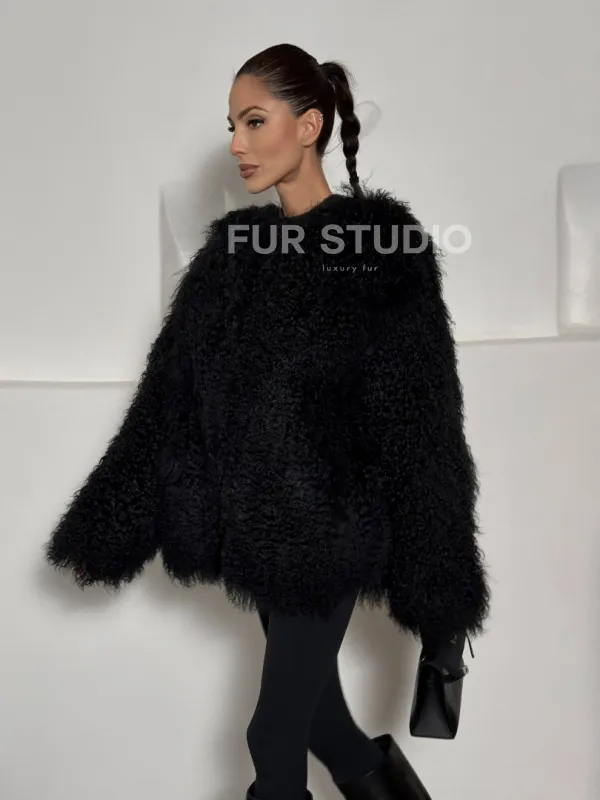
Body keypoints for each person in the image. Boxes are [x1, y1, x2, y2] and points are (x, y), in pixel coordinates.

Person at [43, 43, 491, 800]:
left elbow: (425, 427)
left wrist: (443, 601)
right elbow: (167, 403)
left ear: (309, 125)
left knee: (271, 735)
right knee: (326, 729)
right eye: (233, 126)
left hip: (336, 531)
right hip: (256, 528)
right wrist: (107, 527)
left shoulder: (382, 254)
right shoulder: (232, 261)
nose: (237, 144)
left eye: (255, 121)